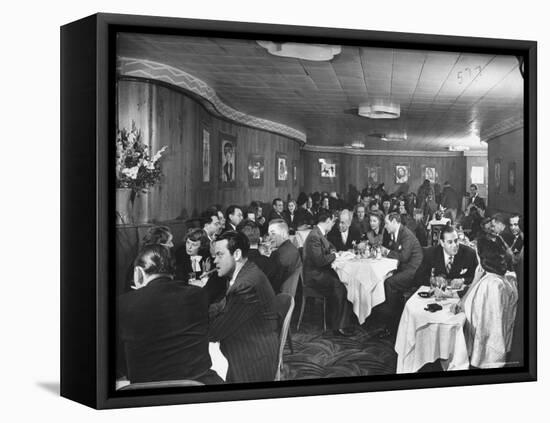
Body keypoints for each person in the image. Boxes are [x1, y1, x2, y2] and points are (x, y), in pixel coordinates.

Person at [118, 245, 222, 384]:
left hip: (145, 391)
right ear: (173, 272)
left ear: (138, 272)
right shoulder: (198, 295)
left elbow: (120, 363)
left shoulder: (123, 304)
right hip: (198, 382)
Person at [209, 231, 279, 383]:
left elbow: (215, 332)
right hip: (250, 340)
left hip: (253, 357)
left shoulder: (246, 285)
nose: (215, 261)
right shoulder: (246, 271)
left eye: (220, 255)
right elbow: (222, 305)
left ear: (237, 254)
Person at [451, 235, 518, 368]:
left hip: (489, 354)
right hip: (501, 345)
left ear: (482, 259)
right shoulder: (506, 278)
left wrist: (476, 280)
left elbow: (464, 307)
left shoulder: (490, 285)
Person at [303, 209, 354, 336]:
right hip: (314, 276)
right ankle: (340, 326)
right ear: (327, 220)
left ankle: (337, 322)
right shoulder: (314, 236)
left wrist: (333, 253)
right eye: (332, 221)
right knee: (341, 286)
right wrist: (335, 255)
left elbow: (328, 248)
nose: (333, 225)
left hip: (319, 272)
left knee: (342, 282)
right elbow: (320, 261)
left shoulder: (319, 233)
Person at [379, 213, 424, 334]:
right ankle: (393, 318)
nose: (385, 226)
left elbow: (403, 257)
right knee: (383, 278)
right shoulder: (397, 233)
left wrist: (387, 252)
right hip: (405, 268)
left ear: (394, 222)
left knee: (389, 283)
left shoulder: (406, 235)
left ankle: (391, 325)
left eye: (387, 223)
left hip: (414, 271)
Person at [264, 219, 302, 293]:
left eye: (273, 233)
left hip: (279, 297)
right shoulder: (292, 248)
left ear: (284, 234)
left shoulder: (278, 255)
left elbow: (270, 284)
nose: (269, 237)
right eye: (269, 234)